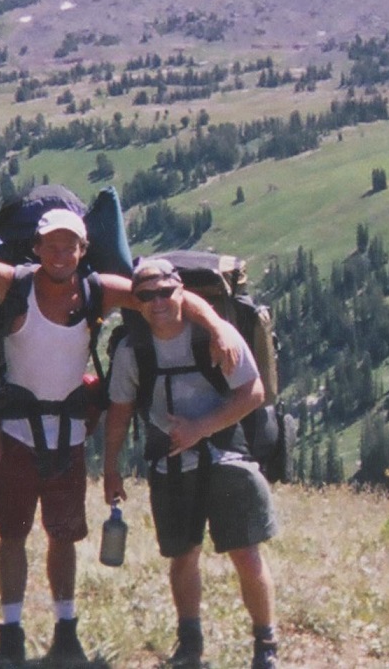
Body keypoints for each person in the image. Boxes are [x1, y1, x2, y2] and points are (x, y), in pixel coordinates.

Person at [0, 209, 238, 666]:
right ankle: (12, 634)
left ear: (83, 250)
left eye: (70, 247)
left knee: (63, 537)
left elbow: (165, 296)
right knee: (13, 536)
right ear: (37, 248)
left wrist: (216, 326)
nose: (60, 255)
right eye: (52, 246)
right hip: (15, 433)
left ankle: (65, 631)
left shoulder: (97, 291)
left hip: (68, 436)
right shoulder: (13, 283)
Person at [102, 258, 279, 669]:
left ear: (181, 291)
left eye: (165, 292)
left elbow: (253, 392)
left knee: (245, 554)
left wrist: (201, 428)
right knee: (183, 556)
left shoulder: (217, 336)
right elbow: (119, 412)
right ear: (136, 302)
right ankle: (190, 644)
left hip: (228, 456)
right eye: (147, 296)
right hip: (171, 462)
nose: (158, 302)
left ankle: (266, 644)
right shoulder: (132, 351)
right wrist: (111, 467)